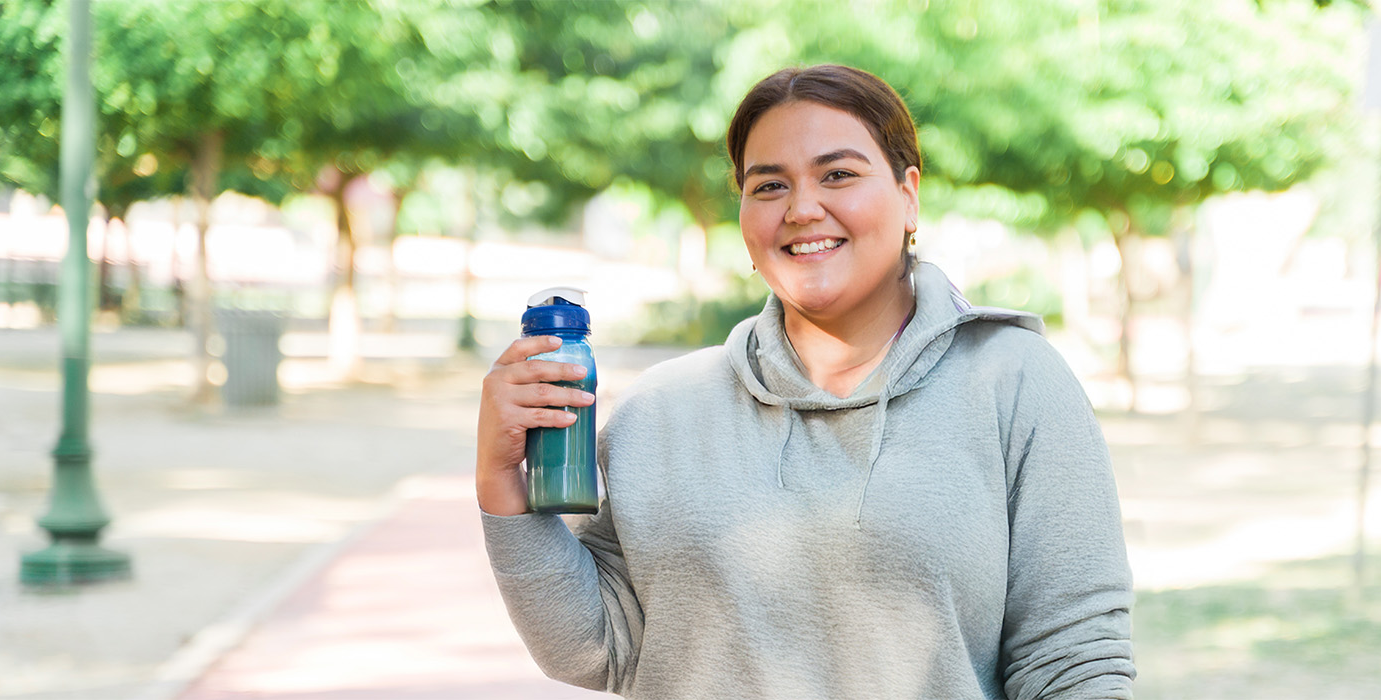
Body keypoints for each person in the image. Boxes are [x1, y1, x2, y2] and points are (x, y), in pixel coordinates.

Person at [477, 64, 1135, 699]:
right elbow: (597, 648)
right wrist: (501, 484)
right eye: (768, 186)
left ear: (909, 195)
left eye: (838, 174)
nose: (802, 208)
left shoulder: (1015, 383)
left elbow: (1073, 664)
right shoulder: (660, 411)